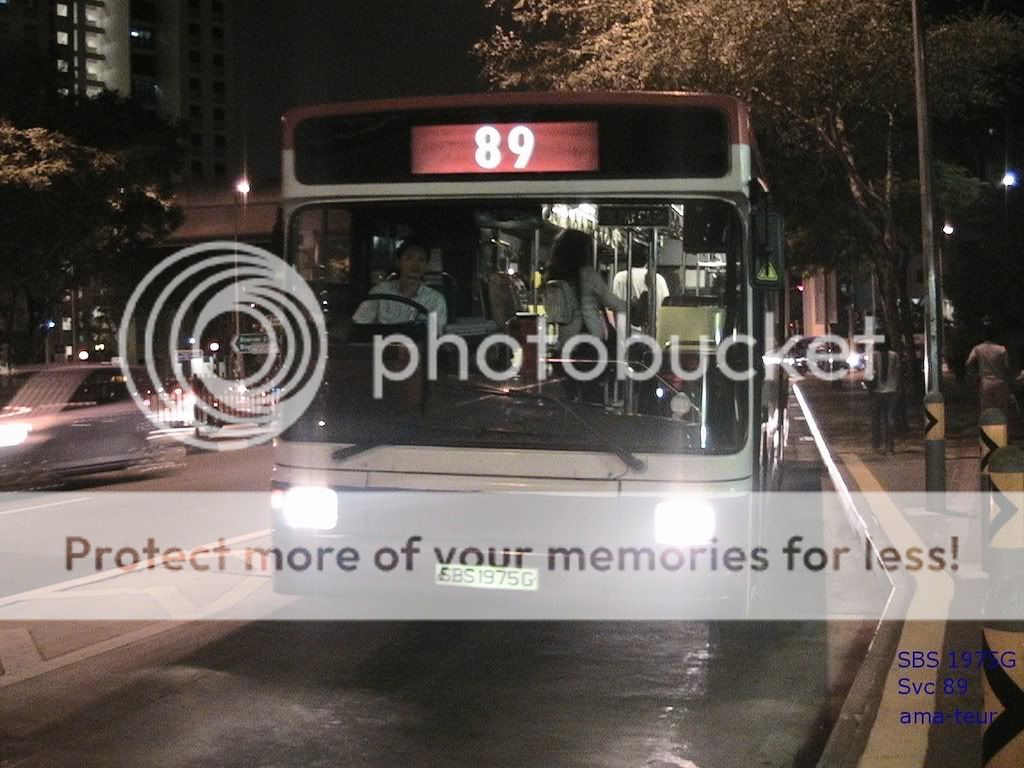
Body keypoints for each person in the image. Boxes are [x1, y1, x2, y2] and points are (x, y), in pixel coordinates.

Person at [544, 229, 626, 401]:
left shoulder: (553, 275)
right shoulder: (588, 274)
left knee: (570, 395)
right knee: (593, 395)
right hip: (589, 343)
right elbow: (614, 302)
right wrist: (630, 305)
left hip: (564, 343)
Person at [352, 237, 447, 329]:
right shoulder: (380, 292)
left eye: (421, 260)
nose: (415, 264)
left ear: (427, 266)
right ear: (398, 262)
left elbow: (436, 333)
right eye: (409, 258)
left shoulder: (435, 299)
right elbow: (358, 324)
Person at [966, 320, 1010, 413]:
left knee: (986, 411)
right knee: (1001, 411)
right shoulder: (1002, 350)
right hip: (1000, 383)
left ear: (984, 336)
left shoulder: (978, 348)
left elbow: (968, 363)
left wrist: (975, 375)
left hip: (985, 383)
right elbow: (1007, 366)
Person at [865, 337, 900, 454]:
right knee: (890, 418)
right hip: (891, 390)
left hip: (877, 392)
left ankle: (876, 444)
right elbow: (898, 373)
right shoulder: (894, 356)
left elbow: (869, 374)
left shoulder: (873, 356)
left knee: (876, 419)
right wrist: (898, 388)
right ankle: (889, 445)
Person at [611, 250, 670, 318]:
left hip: (625, 322)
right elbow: (666, 305)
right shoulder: (658, 278)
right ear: (647, 262)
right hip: (655, 322)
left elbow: (614, 305)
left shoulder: (620, 277)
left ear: (628, 260)